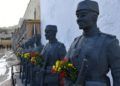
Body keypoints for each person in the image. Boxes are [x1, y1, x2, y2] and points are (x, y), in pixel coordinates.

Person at [65, 0, 120, 86]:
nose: (78, 19)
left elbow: (118, 75)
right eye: (77, 16)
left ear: (95, 16)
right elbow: (65, 69)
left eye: (83, 15)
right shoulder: (75, 42)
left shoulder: (109, 42)